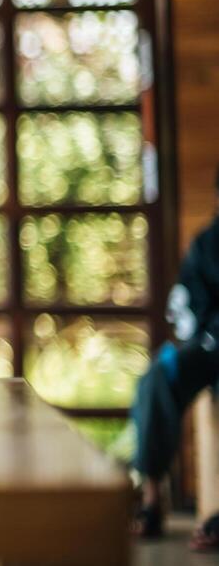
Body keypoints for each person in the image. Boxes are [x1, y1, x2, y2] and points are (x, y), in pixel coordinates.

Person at [131, 167, 219, 546]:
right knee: (156, 380)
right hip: (208, 345)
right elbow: (185, 305)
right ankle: (152, 499)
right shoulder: (207, 244)